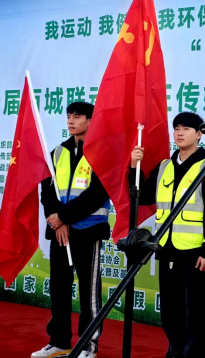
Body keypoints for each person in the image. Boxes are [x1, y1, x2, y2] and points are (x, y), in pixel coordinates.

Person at [130, 112, 205, 358]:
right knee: (170, 312)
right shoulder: (165, 166)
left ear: (199, 134)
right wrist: (134, 168)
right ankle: (174, 353)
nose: (180, 133)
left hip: (195, 253)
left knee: (193, 313)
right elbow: (144, 196)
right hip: (165, 249)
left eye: (186, 128)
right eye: (177, 128)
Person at [34, 102, 110, 358]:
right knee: (59, 288)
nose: (71, 121)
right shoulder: (57, 152)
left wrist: (64, 216)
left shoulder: (101, 151)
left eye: (77, 117)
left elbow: (98, 193)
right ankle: (59, 342)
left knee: (89, 293)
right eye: (69, 116)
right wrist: (58, 220)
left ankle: (88, 346)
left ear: (90, 121)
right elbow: (47, 190)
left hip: (89, 231)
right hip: (60, 233)